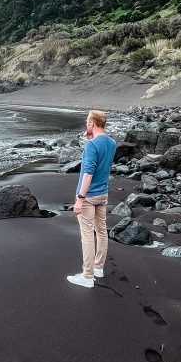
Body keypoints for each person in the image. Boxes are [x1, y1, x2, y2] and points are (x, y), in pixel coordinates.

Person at [67, 109, 117, 288]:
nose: (86, 124)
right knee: (102, 231)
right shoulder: (112, 143)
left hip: (88, 196)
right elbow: (102, 161)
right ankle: (98, 268)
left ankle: (87, 277)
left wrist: (80, 198)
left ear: (92, 123)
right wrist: (90, 138)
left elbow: (88, 173)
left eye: (87, 122)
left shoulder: (91, 145)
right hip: (103, 194)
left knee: (87, 235)